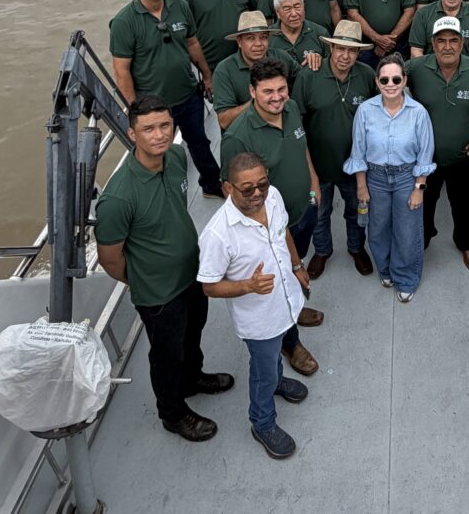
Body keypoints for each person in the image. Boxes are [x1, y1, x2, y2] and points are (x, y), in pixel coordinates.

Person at [96, 95, 234, 442]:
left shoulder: (175, 157)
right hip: (159, 293)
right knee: (166, 354)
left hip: (193, 274)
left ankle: (192, 378)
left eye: (165, 126)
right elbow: (110, 259)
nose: (159, 135)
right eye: (148, 129)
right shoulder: (119, 198)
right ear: (132, 134)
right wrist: (143, 279)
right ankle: (172, 413)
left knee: (193, 332)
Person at [198, 152, 312, 460]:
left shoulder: (273, 197)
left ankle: (277, 381)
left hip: (284, 302)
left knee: (274, 357)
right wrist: (248, 285)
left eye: (262, 184)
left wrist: (297, 265)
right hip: (259, 321)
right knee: (262, 371)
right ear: (228, 188)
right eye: (247, 188)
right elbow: (209, 286)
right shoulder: (218, 235)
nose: (257, 193)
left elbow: (283, 231)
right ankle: (262, 422)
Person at [218, 57, 326, 362]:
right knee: (277, 281)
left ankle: (295, 307)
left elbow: (302, 148)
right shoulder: (238, 137)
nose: (277, 97)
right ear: (252, 92)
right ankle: (290, 343)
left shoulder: (290, 108)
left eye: (281, 89)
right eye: (268, 91)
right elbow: (230, 190)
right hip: (272, 230)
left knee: (294, 268)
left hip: (304, 210)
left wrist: (314, 184)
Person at [109, 0, 221, 194]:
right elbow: (121, 71)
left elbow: (192, 43)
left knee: (200, 142)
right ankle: (162, 194)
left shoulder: (180, 6)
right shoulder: (124, 22)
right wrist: (134, 108)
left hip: (188, 94)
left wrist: (207, 76)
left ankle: (212, 185)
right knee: (158, 151)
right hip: (153, 105)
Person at [406, 16, 469, 271]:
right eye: (441, 41)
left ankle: (466, 242)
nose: (447, 46)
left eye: (453, 40)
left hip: (464, 156)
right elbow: (386, 76)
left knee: (462, 203)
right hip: (424, 159)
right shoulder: (416, 68)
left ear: (462, 43)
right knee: (424, 203)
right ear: (432, 44)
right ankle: (422, 238)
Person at [346, 53, 435, 302]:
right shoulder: (365, 110)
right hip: (375, 177)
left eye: (396, 79)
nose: (391, 84)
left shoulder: (418, 113)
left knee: (407, 231)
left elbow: (425, 155)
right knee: (377, 228)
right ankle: (385, 269)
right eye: (384, 80)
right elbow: (358, 151)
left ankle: (406, 277)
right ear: (377, 82)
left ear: (404, 80)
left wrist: (419, 188)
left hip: (407, 176)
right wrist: (361, 186)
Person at [292, 21, 377, 279]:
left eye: (351, 50)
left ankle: (356, 248)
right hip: (318, 165)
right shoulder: (309, 75)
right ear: (330, 48)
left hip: (355, 165)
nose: (345, 56)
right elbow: (296, 122)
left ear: (359, 53)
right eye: (340, 48)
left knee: (357, 210)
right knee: (319, 213)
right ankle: (322, 251)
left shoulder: (366, 75)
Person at [211, 12, 296, 130]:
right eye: (250, 38)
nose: (258, 44)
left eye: (263, 37)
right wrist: (259, 100)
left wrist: (313, 60)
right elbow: (224, 121)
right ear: (239, 41)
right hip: (246, 133)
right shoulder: (224, 71)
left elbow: (303, 80)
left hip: (282, 128)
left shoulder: (281, 57)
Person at [269, 0, 328, 71]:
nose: (294, 14)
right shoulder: (268, 37)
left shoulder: (320, 34)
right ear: (277, 13)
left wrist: (322, 62)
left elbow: (331, 66)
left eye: (297, 7)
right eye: (287, 9)